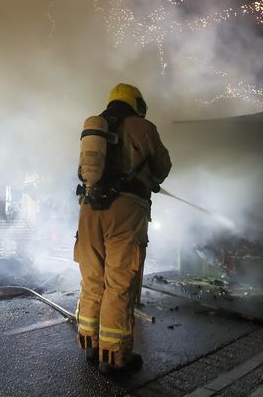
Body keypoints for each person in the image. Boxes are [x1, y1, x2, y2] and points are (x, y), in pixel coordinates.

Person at [74, 83, 171, 374]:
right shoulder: (144, 127)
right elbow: (163, 167)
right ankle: (115, 358)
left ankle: (90, 345)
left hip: (89, 209)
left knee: (92, 280)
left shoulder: (97, 127)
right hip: (125, 212)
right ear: (137, 103)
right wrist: (147, 177)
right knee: (118, 284)